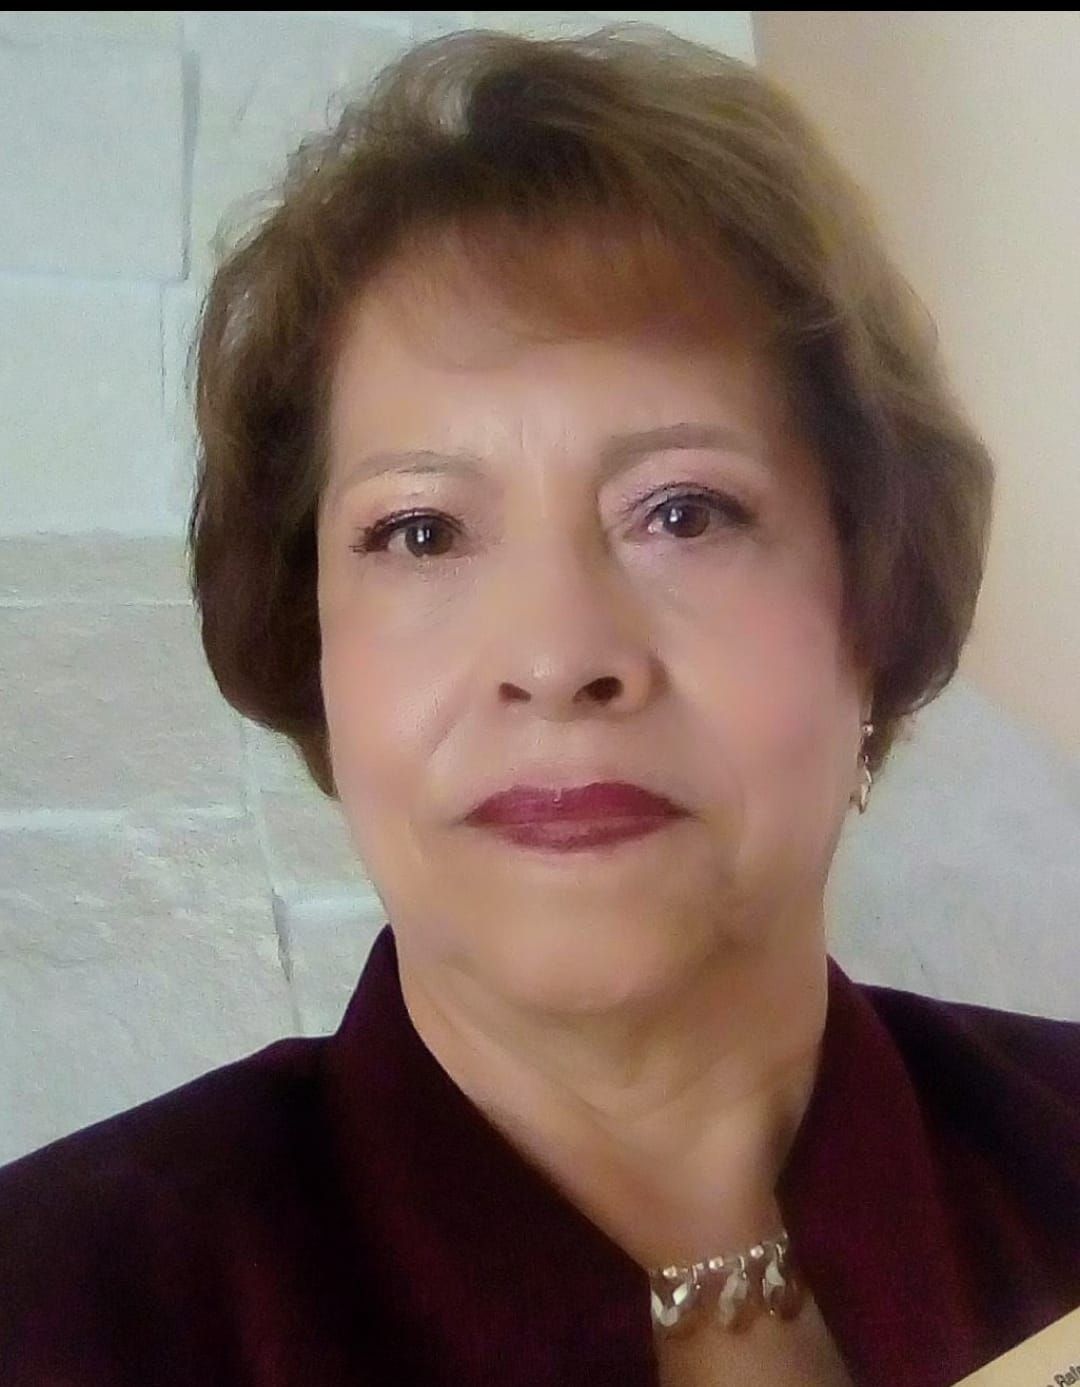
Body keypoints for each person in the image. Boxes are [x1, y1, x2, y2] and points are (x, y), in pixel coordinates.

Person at [2, 22, 1078, 1387]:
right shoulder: (53, 1314)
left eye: (683, 511)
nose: (558, 653)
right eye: (422, 533)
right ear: (313, 643)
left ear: (875, 594)